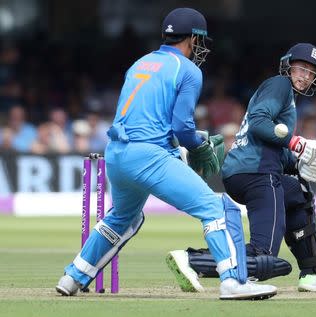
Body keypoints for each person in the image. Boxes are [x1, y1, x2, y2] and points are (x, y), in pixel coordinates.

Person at [56, 8, 277, 300]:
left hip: (117, 154)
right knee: (219, 208)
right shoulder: (188, 70)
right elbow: (182, 126)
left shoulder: (140, 64)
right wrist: (197, 147)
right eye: (200, 41)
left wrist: (188, 143)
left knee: (124, 217)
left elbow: (152, 120)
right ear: (193, 39)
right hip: (148, 155)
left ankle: (72, 277)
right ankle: (234, 282)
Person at [169, 43, 316, 292]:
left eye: (311, 72)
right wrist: (298, 144)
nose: (305, 75)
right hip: (256, 173)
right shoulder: (280, 85)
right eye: (301, 67)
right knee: (265, 257)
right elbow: (259, 122)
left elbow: (272, 147)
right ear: (289, 65)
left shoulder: (287, 98)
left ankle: (314, 274)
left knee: (298, 192)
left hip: (249, 170)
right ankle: (193, 261)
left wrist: (303, 160)